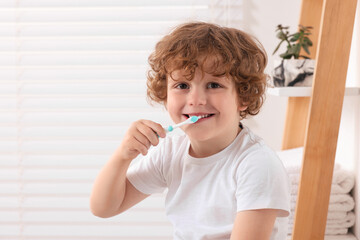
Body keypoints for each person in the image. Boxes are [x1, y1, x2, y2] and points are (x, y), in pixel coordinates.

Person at [90, 21, 290, 240]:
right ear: (165, 96)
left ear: (243, 97)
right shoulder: (170, 154)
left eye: (214, 85)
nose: (196, 100)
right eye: (182, 86)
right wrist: (123, 156)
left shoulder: (257, 165)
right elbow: (104, 207)